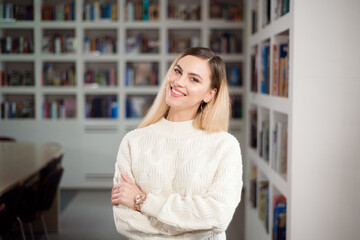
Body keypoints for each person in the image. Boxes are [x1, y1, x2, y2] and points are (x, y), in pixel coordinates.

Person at [111, 47, 243, 240]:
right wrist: (190, 227)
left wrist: (142, 201)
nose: (178, 82)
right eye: (178, 71)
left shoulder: (225, 145)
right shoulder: (133, 141)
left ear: (209, 94)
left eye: (194, 79)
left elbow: (218, 217)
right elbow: (125, 222)